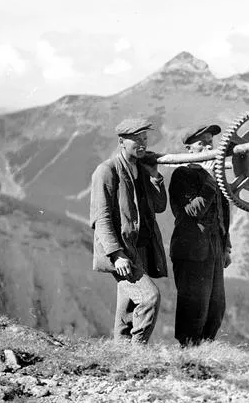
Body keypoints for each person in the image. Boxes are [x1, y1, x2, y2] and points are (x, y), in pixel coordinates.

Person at [89, 118, 168, 344]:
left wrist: (154, 176)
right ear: (122, 142)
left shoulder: (141, 169)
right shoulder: (106, 171)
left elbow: (160, 206)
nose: (142, 144)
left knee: (127, 308)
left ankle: (121, 354)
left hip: (140, 248)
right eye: (137, 139)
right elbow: (100, 218)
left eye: (145, 138)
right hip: (122, 251)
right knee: (149, 297)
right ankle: (137, 353)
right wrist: (116, 254)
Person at [168, 124, 232, 347]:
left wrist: (226, 246)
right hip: (191, 248)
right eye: (201, 142)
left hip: (213, 247)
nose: (207, 146)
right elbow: (193, 211)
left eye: (210, 141)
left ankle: (203, 352)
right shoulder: (181, 174)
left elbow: (221, 212)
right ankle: (188, 353)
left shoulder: (212, 175)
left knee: (215, 306)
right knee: (194, 306)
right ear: (189, 148)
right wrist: (210, 179)